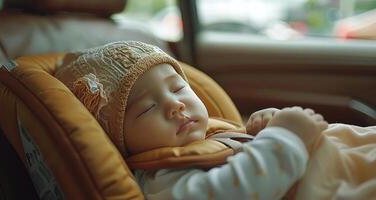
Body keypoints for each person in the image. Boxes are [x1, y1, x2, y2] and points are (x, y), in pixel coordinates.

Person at [54, 41, 329, 200]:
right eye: (146, 109)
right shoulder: (159, 180)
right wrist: (284, 141)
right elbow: (228, 191)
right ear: (117, 139)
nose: (175, 104)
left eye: (177, 88)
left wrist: (260, 130)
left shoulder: (212, 134)